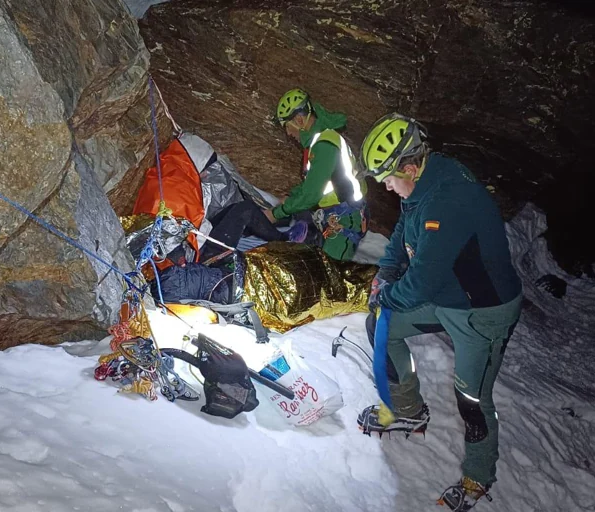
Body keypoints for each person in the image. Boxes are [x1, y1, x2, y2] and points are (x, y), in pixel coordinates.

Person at [355, 113, 523, 511]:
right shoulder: (423, 185)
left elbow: (423, 282)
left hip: (483, 313)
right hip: (449, 298)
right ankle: (408, 410)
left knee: (472, 397)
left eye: (389, 177)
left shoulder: (450, 199)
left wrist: (389, 294)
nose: (385, 185)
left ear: (410, 167)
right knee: (384, 325)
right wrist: (386, 273)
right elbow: (402, 232)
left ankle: (478, 477)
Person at [268, 88, 368, 261]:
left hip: (345, 218)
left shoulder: (325, 145)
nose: (289, 134)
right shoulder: (318, 142)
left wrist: (276, 213)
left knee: (330, 274)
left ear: (299, 120)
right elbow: (316, 183)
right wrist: (292, 195)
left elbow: (311, 195)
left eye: (288, 127)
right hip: (335, 216)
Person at [199, 200, 308, 262]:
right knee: (246, 210)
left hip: (199, 238)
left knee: (233, 207)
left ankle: (249, 230)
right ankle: (284, 240)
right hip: (203, 256)